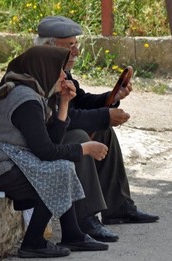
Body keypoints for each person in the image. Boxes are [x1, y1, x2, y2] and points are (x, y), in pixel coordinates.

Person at [0, 46, 109, 259]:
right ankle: (33, 243)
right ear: (44, 69)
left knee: (60, 168)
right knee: (58, 170)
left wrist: (64, 103)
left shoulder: (32, 93)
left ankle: (72, 234)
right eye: (59, 70)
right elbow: (45, 152)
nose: (65, 76)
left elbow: (51, 141)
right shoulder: (24, 99)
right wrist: (84, 149)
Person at [33, 16, 159, 240]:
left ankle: (118, 206)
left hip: (54, 133)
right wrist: (105, 115)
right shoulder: (40, 71)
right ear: (47, 47)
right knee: (80, 137)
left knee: (103, 131)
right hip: (37, 143)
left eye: (76, 45)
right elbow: (64, 117)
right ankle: (85, 219)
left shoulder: (60, 69)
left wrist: (112, 98)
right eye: (69, 46)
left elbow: (79, 101)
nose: (76, 52)